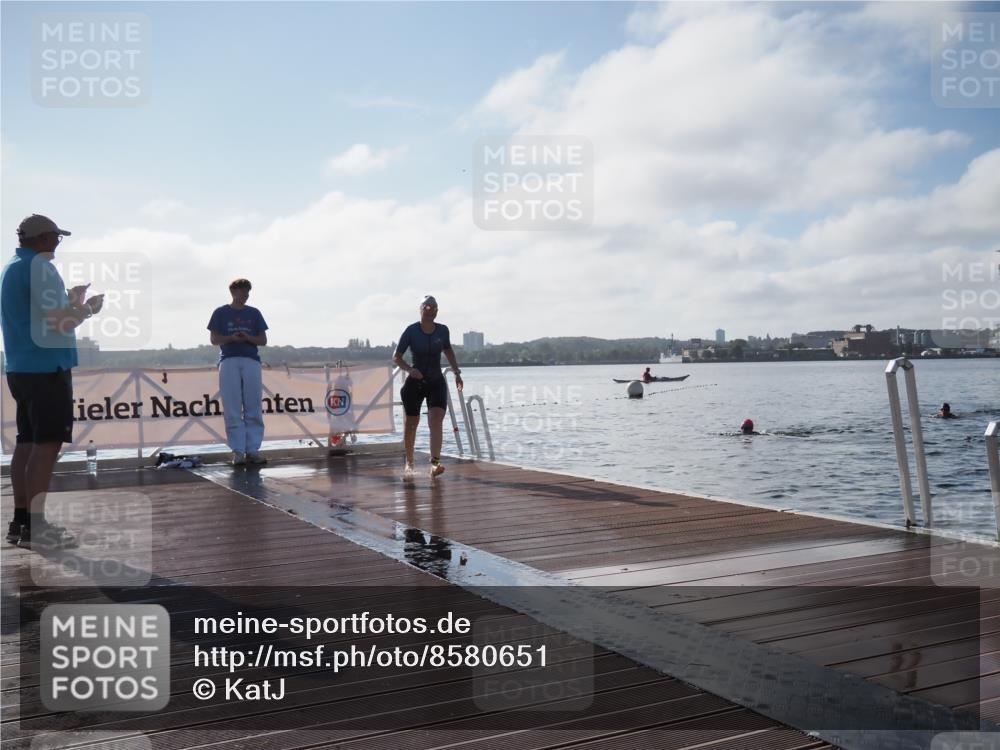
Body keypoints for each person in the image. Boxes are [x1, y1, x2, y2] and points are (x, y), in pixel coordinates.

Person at [2, 214, 104, 550]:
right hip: (46, 368)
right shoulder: (41, 268)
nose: (58, 243)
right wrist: (87, 308)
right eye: (56, 237)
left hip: (20, 366)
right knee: (47, 447)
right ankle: (38, 526)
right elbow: (60, 323)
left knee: (28, 444)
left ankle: (21, 522)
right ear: (44, 238)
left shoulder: (13, 266)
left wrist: (71, 300)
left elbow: (42, 314)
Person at [393, 295, 463, 478]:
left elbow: (448, 350)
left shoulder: (443, 331)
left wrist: (456, 373)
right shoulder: (411, 331)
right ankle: (409, 462)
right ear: (421, 309)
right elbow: (396, 357)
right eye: (427, 307)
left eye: (434, 308)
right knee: (411, 425)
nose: (431, 310)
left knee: (436, 420)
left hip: (435, 381)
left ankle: (435, 464)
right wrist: (410, 370)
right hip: (415, 383)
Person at [208, 279, 268, 466]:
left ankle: (253, 450)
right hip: (229, 360)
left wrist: (248, 337)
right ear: (233, 291)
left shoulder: (254, 313)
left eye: (247, 292)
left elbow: (263, 340)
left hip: (251, 360)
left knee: (253, 406)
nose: (245, 295)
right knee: (232, 406)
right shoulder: (220, 312)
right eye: (242, 292)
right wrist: (231, 338)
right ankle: (238, 451)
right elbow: (214, 339)